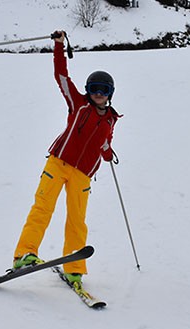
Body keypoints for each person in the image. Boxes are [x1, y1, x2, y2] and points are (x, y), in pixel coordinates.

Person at [12, 30, 120, 290]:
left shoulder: (110, 119)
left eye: (103, 91)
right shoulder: (78, 104)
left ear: (110, 94)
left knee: (76, 220)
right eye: (94, 89)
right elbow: (61, 76)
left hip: (82, 175)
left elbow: (106, 143)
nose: (98, 95)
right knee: (43, 207)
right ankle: (23, 254)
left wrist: (107, 153)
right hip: (58, 163)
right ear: (88, 91)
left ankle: (74, 269)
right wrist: (59, 46)